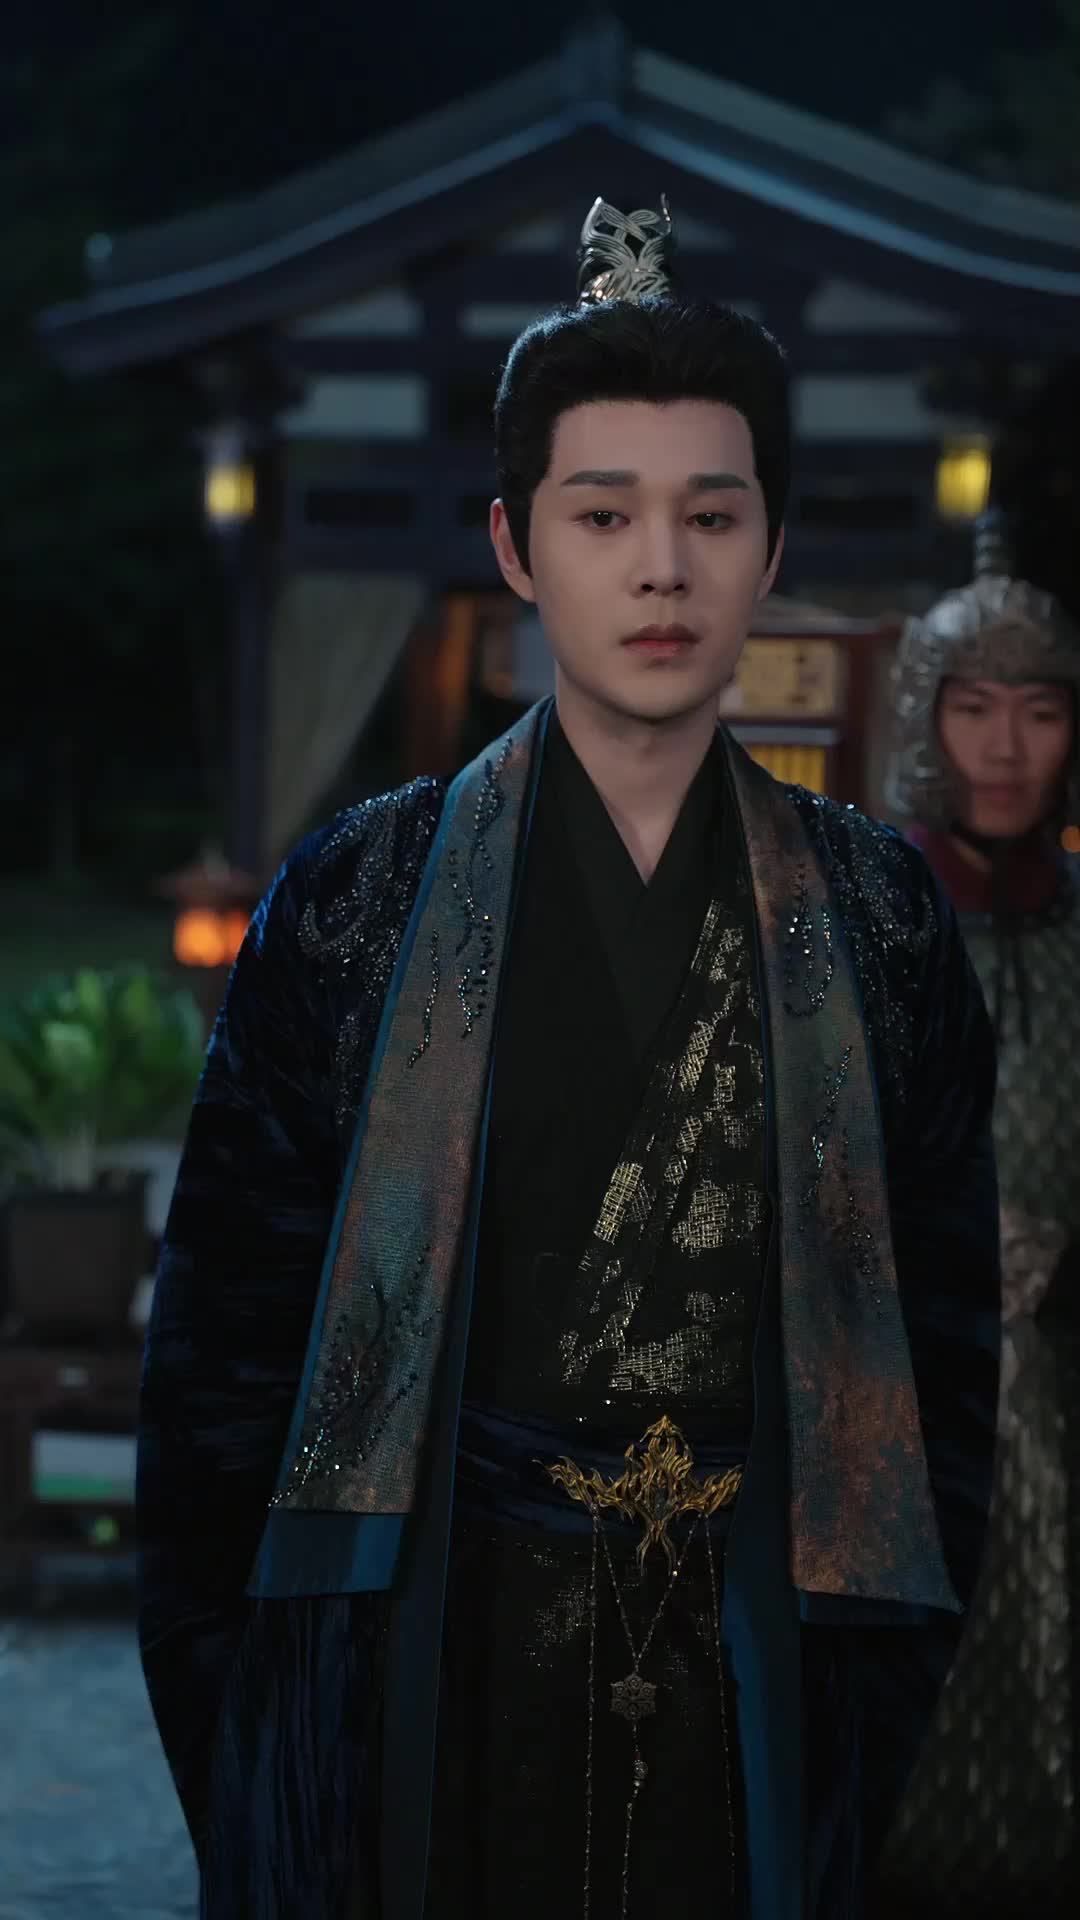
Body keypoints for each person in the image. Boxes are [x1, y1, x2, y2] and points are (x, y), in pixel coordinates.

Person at [137, 197, 1000, 1920]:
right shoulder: (359, 901)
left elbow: (945, 1363)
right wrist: (269, 1741)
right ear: (516, 547)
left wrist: (870, 1693)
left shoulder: (878, 917)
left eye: (710, 514)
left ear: (770, 547)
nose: (661, 568)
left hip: (758, 1655)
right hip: (434, 1649)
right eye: (604, 514)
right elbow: (222, 1369)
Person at [879, 513, 1080, 1911]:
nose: (1006, 748)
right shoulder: (861, 919)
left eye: (1041, 712)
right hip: (896, 1383)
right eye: (974, 709)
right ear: (926, 720)